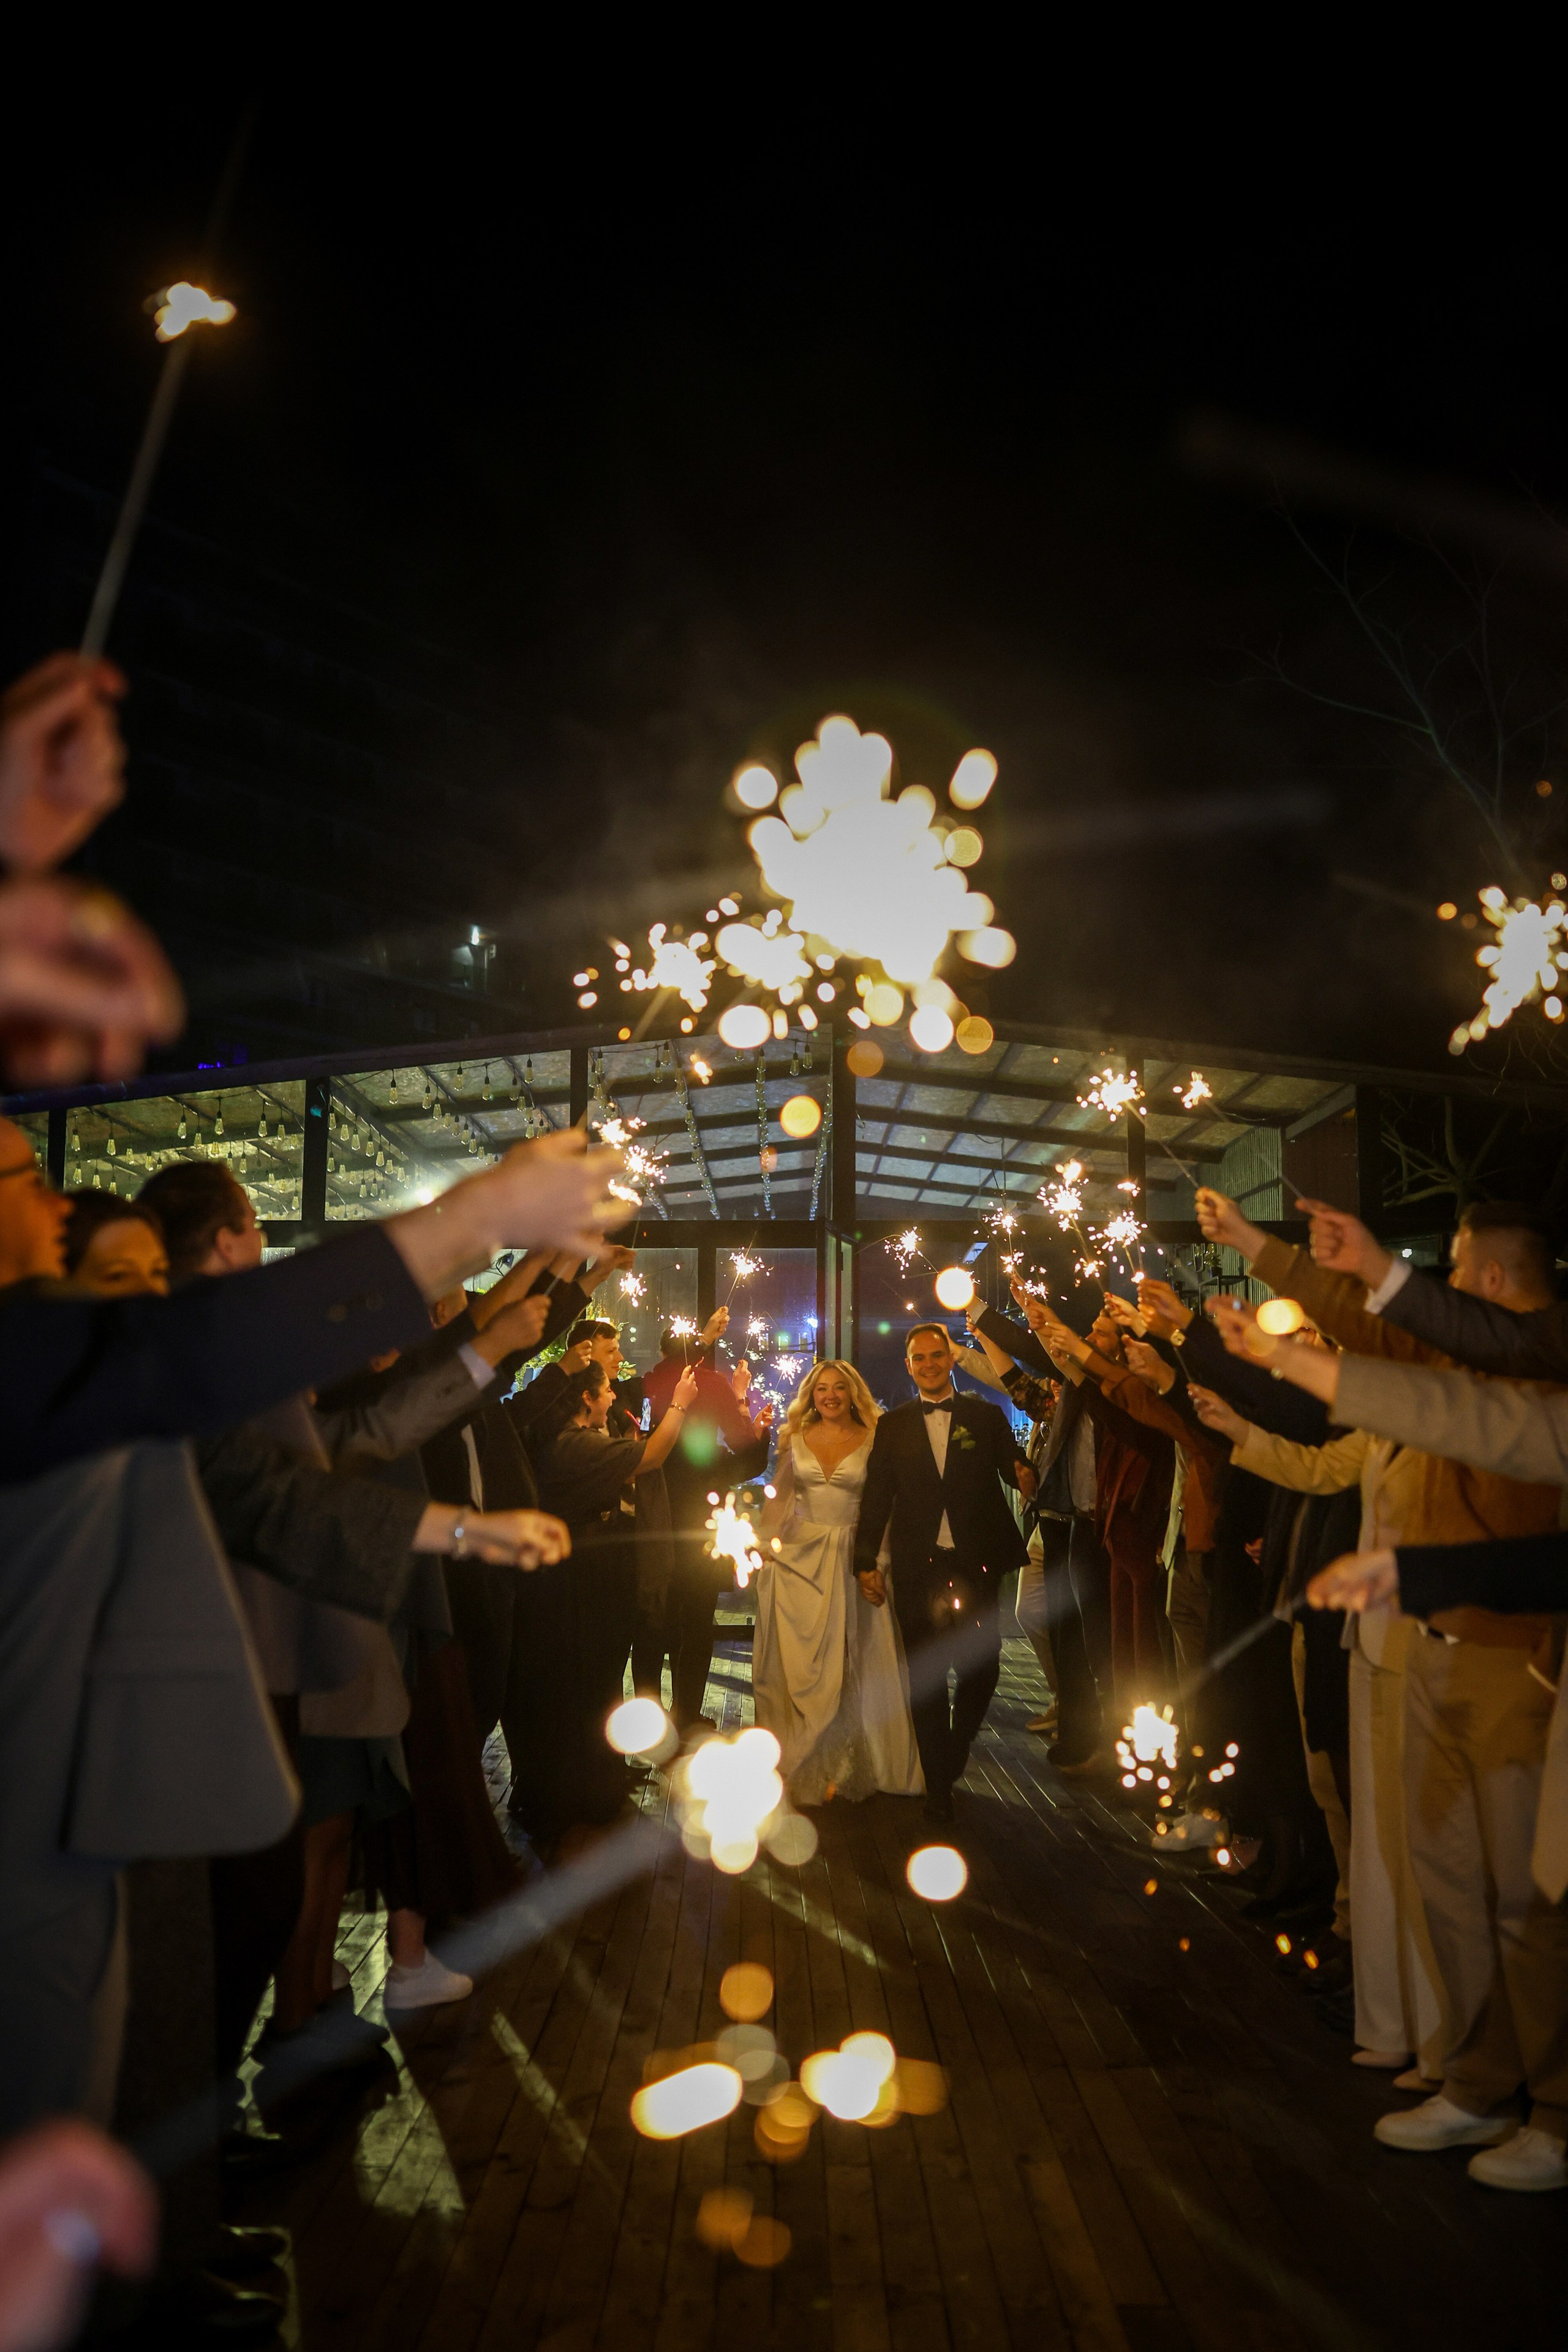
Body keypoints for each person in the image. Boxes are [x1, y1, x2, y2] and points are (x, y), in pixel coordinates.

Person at [1197, 1186, 1568, 2192]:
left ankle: (1556, 2110)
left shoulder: (1539, 1369)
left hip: (1516, 1662)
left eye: (1456, 1268)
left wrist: (1325, 1293)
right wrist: (1270, 1282)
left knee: (1528, 1901)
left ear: (1491, 1276)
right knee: (1448, 1883)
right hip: (1430, 1644)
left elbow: (1440, 1390)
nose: (1440, 1288)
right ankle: (1476, 2080)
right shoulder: (1459, 1364)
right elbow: (1387, 1353)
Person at [513, 1356, 698, 1852]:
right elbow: (652, 1456)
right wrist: (681, 1404)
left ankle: (593, 1787)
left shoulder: (574, 1438)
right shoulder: (571, 1444)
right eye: (607, 1391)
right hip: (580, 1577)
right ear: (586, 1398)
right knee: (587, 1683)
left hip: (582, 1572)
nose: (614, 1396)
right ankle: (580, 1798)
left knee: (592, 1682)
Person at [852, 1323, 1030, 1824]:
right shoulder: (893, 1426)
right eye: (920, 1358)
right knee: (926, 1676)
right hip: (918, 1564)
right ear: (908, 1366)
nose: (929, 1364)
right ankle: (938, 1786)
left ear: (952, 1360)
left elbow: (1012, 1465)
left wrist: (1026, 1472)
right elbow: (877, 1497)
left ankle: (953, 1751)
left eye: (937, 1355)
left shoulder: (985, 1416)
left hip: (976, 1562)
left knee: (983, 1667)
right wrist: (865, 1562)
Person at [754, 1360, 922, 1804]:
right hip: (801, 1558)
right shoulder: (795, 1437)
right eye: (822, 1389)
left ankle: (865, 1762)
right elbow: (781, 1499)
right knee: (804, 1663)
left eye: (839, 1388)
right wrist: (764, 1545)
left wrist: (879, 1563)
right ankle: (804, 1757)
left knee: (860, 1655)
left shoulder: (876, 1438)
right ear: (812, 1396)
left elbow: (883, 1507)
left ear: (853, 1394)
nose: (830, 1396)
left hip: (855, 1554)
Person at [630, 1313, 774, 1730]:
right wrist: (745, 1406)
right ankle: (687, 1715)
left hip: (651, 1512)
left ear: (662, 1352)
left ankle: (647, 1719)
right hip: (701, 1515)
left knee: (651, 1620)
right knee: (696, 1621)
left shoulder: (647, 1384)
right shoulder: (711, 1385)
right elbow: (746, 1452)